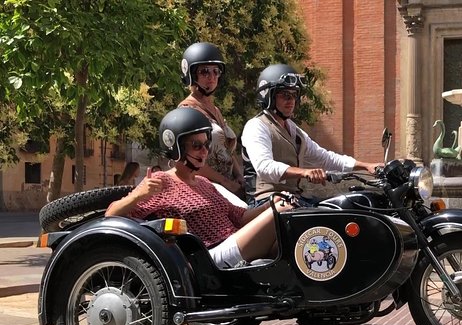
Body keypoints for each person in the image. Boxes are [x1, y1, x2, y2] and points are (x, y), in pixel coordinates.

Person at [105, 108, 292, 268]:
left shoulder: (204, 182)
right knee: (283, 212)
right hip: (208, 258)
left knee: (294, 234)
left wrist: (270, 203)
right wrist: (139, 194)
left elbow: (240, 217)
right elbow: (111, 214)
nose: (204, 151)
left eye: (206, 145)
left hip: (234, 243)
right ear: (177, 147)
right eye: (196, 146)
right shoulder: (161, 181)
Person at [241, 63, 382, 205]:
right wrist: (304, 172)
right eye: (285, 95)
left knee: (342, 207)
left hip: (291, 199)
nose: (291, 101)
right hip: (265, 202)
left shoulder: (294, 131)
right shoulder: (256, 126)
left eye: (294, 95)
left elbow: (325, 158)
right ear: (268, 95)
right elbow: (265, 167)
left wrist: (365, 166)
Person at [178, 42, 245, 200]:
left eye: (216, 71)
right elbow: (188, 158)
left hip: (228, 188)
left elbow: (227, 150)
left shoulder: (216, 110)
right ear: (192, 74)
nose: (212, 77)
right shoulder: (187, 111)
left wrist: (239, 176)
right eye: (205, 71)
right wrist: (226, 183)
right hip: (203, 189)